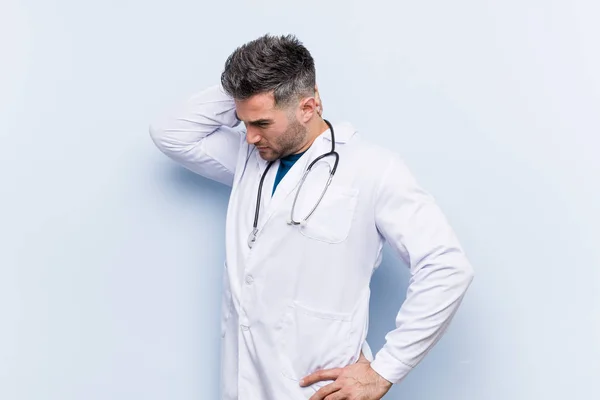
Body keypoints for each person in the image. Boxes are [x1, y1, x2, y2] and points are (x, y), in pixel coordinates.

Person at [149, 34, 474, 400]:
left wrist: (386, 369)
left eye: (262, 123)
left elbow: (447, 267)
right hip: (242, 386)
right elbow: (171, 132)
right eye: (243, 123)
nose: (249, 137)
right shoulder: (249, 158)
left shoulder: (372, 169)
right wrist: (251, 82)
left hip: (315, 390)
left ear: (309, 106)